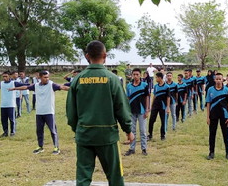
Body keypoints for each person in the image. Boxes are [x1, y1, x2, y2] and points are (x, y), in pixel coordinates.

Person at [66, 41, 134, 186]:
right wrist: (128, 129)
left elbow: (71, 112)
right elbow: (121, 108)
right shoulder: (113, 79)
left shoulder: (77, 79)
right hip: (107, 136)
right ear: (105, 55)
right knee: (115, 176)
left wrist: (77, 129)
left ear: (87, 56)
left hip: (84, 134)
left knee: (83, 178)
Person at [10, 71, 69, 154]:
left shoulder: (51, 85)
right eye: (45, 77)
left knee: (53, 130)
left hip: (49, 112)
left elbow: (62, 87)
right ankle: (40, 147)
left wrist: (73, 89)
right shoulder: (36, 85)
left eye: (48, 77)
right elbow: (25, 87)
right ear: (40, 77)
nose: (47, 79)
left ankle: (56, 147)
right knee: (39, 130)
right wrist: (14, 89)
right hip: (39, 112)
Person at [0, 71, 29, 137]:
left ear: (9, 76)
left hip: (11, 104)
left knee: (12, 119)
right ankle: (5, 132)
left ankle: (12, 132)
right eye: (3, 76)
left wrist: (31, 85)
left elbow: (24, 85)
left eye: (6, 76)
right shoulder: (1, 83)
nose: (4, 78)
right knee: (3, 120)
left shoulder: (13, 83)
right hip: (3, 105)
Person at [206, 73, 228, 161]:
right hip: (213, 115)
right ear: (214, 80)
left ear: (222, 80)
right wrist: (207, 117)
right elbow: (208, 103)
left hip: (224, 116)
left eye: (219, 79)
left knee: (226, 134)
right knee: (212, 134)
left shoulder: (226, 90)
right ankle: (211, 152)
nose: (218, 81)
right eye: (216, 79)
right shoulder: (210, 90)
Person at [124, 68, 150, 156]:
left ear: (140, 75)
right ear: (132, 75)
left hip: (142, 111)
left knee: (143, 131)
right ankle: (132, 148)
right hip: (132, 111)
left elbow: (147, 97)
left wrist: (147, 109)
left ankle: (144, 148)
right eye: (134, 74)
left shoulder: (144, 85)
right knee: (132, 131)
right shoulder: (128, 86)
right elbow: (127, 98)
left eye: (137, 74)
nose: (135, 76)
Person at [148, 72, 171, 141]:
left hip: (163, 106)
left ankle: (162, 135)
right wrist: (151, 105)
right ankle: (150, 135)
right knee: (151, 120)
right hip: (155, 105)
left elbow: (168, 97)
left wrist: (168, 107)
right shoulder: (155, 86)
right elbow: (154, 96)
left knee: (163, 121)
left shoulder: (167, 87)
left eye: (156, 77)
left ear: (160, 78)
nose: (155, 79)